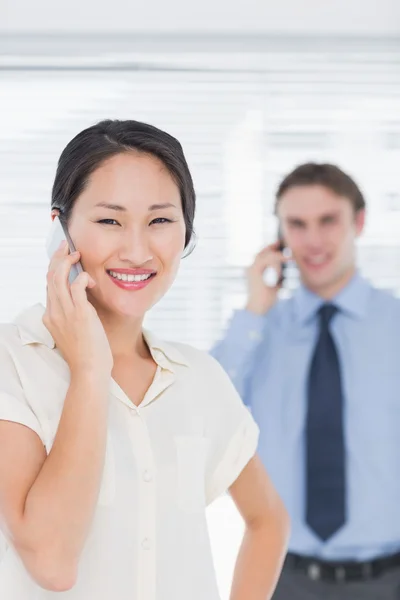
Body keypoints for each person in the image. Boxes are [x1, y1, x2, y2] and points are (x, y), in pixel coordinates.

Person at [0, 120, 289, 600]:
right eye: (110, 220)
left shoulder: (198, 377)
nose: (137, 251)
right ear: (60, 231)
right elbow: (52, 563)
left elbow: (268, 520)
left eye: (160, 221)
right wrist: (90, 370)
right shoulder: (13, 362)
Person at [212, 162, 400, 600]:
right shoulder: (259, 330)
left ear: (359, 222)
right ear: (280, 236)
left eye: (328, 221)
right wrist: (254, 307)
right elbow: (203, 415)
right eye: (296, 225)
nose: (312, 240)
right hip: (284, 577)